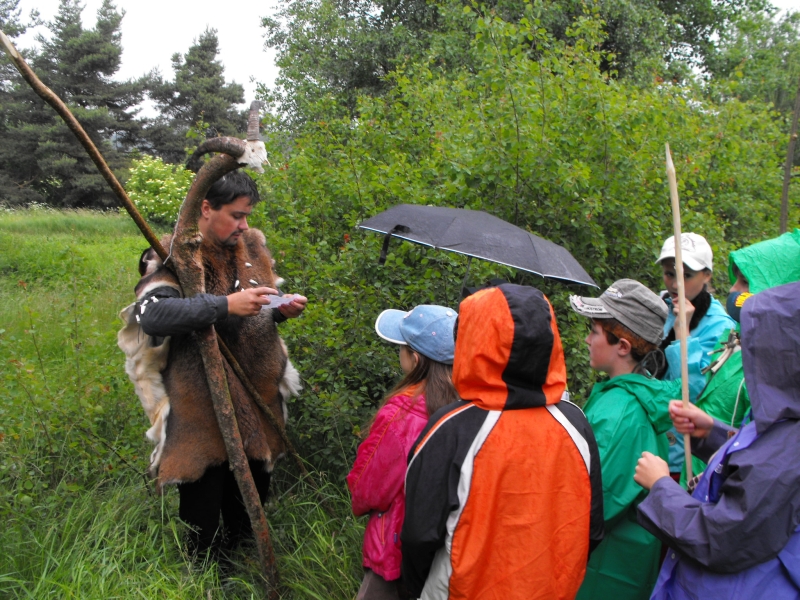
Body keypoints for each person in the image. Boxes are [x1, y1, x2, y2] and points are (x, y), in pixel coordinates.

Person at [118, 170, 307, 557]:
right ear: (206, 208)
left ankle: (240, 559)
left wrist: (281, 309)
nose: (244, 224)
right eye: (236, 215)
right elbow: (153, 316)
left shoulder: (252, 247)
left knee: (250, 496)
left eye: (247, 215)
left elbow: (260, 303)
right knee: (203, 506)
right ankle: (202, 575)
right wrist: (223, 306)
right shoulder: (172, 252)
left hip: (256, 398)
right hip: (199, 406)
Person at [401, 284, 604, 600]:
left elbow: (418, 536)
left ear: (474, 341)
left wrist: (414, 591)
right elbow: (591, 530)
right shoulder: (576, 423)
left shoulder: (451, 428)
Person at [634, 281, 800, 600]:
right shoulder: (786, 414)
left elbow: (720, 537)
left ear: (783, 356)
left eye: (754, 344)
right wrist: (712, 433)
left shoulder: (788, 454)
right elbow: (762, 453)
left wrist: (660, 488)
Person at [570, 280, 682, 600]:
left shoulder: (620, 411)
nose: (587, 339)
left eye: (593, 331)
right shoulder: (635, 395)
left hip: (602, 576)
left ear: (622, 345)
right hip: (624, 566)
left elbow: (592, 503)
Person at [347, 305, 459, 600]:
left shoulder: (402, 413)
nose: (400, 353)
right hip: (446, 549)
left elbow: (367, 488)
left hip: (395, 547)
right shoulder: (471, 404)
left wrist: (357, 498)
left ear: (416, 358)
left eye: (402, 347)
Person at [682, 228, 800, 485]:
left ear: (777, 292)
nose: (733, 290)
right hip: (698, 486)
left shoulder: (778, 369)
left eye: (745, 282)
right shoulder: (736, 338)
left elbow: (764, 458)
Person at [655, 233, 735, 477]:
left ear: (707, 275)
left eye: (685, 276)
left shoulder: (723, 328)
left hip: (685, 458)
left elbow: (695, 392)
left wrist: (683, 332)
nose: (675, 284)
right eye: (670, 274)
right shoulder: (659, 306)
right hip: (650, 442)